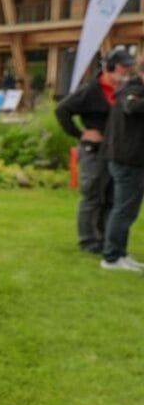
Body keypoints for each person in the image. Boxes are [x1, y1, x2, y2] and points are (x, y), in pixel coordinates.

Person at [55, 48, 133, 255]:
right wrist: (81, 133)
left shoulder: (124, 90)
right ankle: (88, 240)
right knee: (92, 195)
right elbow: (62, 110)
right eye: (122, 68)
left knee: (111, 196)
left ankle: (104, 237)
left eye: (127, 68)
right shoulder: (90, 90)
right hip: (93, 151)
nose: (125, 72)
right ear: (109, 68)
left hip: (115, 151)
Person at [100, 54, 144, 271]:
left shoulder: (133, 88)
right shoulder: (132, 90)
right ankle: (111, 257)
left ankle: (120, 253)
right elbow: (131, 107)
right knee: (124, 210)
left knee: (128, 210)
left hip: (132, 159)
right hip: (126, 161)